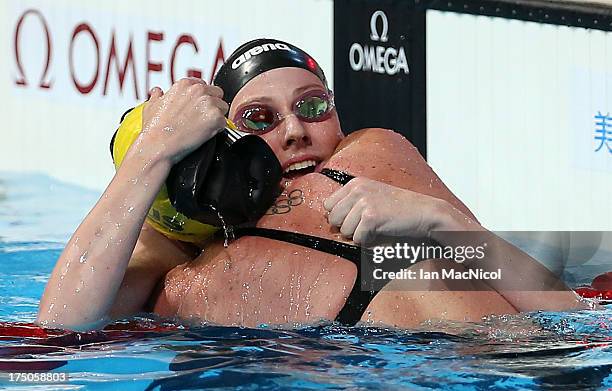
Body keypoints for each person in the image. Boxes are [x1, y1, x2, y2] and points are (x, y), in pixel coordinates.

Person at [37, 39, 587, 331]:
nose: (297, 131)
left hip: (527, 359)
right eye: (261, 119)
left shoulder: (373, 154)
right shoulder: (187, 266)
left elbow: (559, 312)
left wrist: (439, 221)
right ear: (227, 147)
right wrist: (153, 153)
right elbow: (59, 326)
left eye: (313, 106)